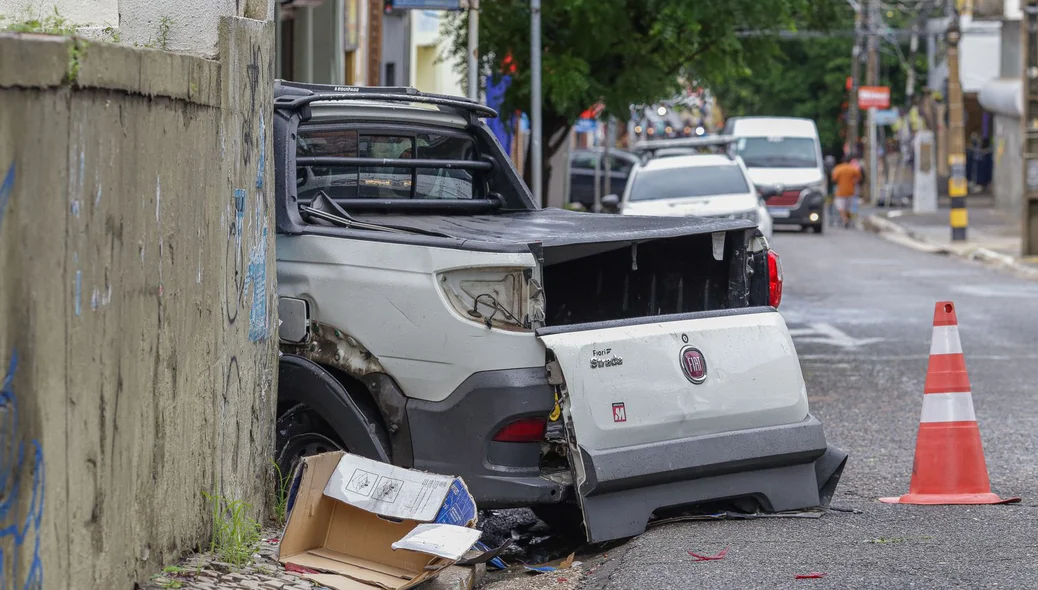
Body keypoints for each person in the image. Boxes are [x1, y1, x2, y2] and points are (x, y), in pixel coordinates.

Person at [830, 154, 863, 228]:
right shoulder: (853, 169)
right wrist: (854, 182)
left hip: (840, 191)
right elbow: (859, 177)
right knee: (848, 207)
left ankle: (845, 219)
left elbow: (834, 179)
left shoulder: (838, 168)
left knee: (840, 207)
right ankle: (847, 218)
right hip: (850, 191)